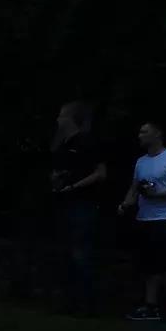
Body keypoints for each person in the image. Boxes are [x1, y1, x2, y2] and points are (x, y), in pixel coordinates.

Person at [120, 120, 166, 322]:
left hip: (164, 217)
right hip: (144, 217)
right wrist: (125, 204)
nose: (140, 136)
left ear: (157, 134)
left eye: (144, 132)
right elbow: (135, 187)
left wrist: (157, 194)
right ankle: (151, 306)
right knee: (149, 264)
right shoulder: (141, 162)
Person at [49, 100, 105, 315]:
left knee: (80, 253)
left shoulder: (87, 142)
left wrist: (74, 186)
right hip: (64, 203)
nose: (58, 119)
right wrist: (57, 180)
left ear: (71, 119)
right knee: (66, 253)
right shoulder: (62, 144)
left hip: (83, 204)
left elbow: (100, 173)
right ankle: (69, 302)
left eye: (61, 115)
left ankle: (86, 304)